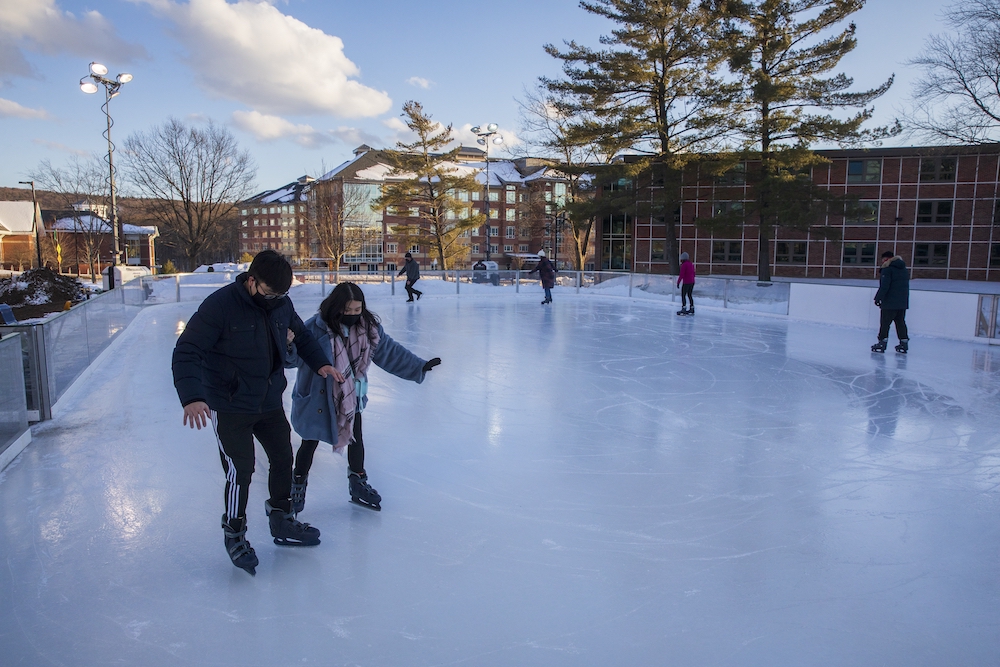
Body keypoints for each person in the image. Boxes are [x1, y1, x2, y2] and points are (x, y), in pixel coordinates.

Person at [172, 250, 337, 576]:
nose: (275, 300)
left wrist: (321, 363)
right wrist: (192, 397)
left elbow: (302, 336)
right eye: (270, 293)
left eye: (281, 295)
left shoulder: (281, 303)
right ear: (251, 281)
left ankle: (282, 518)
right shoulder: (220, 306)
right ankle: (234, 533)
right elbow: (187, 350)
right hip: (230, 404)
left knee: (283, 458)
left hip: (268, 400)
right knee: (240, 470)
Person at [288, 282, 441, 512]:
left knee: (356, 437)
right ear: (335, 307)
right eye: (346, 310)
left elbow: (390, 352)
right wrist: (288, 344)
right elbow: (293, 360)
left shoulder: (369, 329)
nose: (352, 315)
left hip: (351, 396)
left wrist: (419, 366)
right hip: (318, 396)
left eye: (356, 310)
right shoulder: (314, 328)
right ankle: (297, 487)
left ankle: (358, 482)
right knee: (309, 442)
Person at [872, 250, 910, 353]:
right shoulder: (903, 269)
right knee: (900, 322)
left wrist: (877, 298)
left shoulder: (887, 270)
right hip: (902, 302)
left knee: (885, 323)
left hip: (889, 302)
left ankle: (882, 342)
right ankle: (904, 342)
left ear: (886, 259)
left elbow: (884, 286)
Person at [676, 251, 696, 316]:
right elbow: (694, 273)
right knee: (689, 294)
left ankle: (684, 308)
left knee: (683, 295)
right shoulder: (691, 264)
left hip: (686, 282)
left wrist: (678, 282)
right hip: (692, 282)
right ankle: (692, 308)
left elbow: (681, 274)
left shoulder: (684, 265)